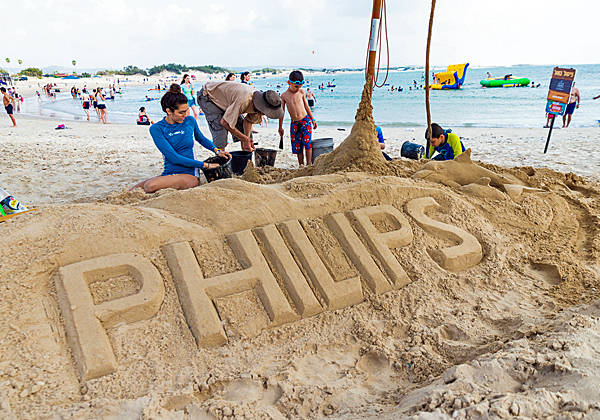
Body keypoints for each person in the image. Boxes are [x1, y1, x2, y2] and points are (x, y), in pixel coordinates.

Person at [128, 84, 231, 193]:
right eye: (181, 112)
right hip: (169, 174)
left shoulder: (190, 121)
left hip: (190, 176)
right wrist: (206, 165)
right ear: (168, 111)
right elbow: (174, 158)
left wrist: (217, 151)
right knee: (130, 191)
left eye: (186, 111)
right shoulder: (157, 128)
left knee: (149, 186)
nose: (185, 115)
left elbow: (201, 138)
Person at [197, 80, 283, 152]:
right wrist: (244, 139)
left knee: (246, 135)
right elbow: (225, 122)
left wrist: (247, 139)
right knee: (221, 133)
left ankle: (247, 165)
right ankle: (221, 162)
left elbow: (248, 121)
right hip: (208, 97)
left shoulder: (261, 102)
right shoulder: (244, 101)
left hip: (227, 102)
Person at [278, 70, 317, 166]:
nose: (297, 89)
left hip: (305, 121)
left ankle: (308, 165)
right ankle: (301, 165)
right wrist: (280, 127)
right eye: (296, 86)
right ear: (289, 82)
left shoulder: (301, 92)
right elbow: (281, 112)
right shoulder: (284, 96)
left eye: (299, 87)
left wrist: (312, 119)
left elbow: (306, 106)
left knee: (308, 144)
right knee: (297, 146)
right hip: (294, 123)